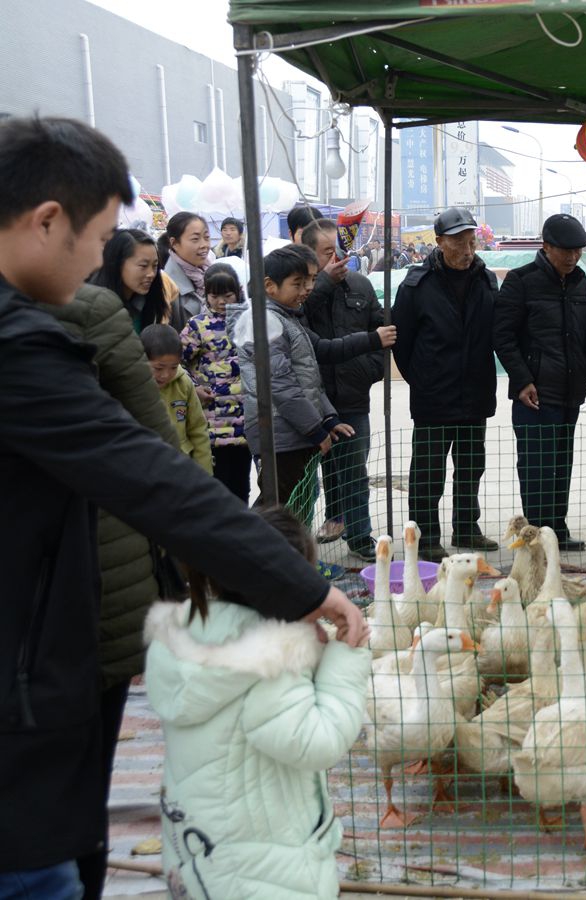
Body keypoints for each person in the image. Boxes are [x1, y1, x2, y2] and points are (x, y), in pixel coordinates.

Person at [0, 114, 369, 897]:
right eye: (102, 239)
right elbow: (148, 474)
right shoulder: (19, 347)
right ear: (46, 222)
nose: (108, 261)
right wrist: (302, 585)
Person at [144, 505, 371, 898]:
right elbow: (313, 741)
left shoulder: (191, 635)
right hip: (267, 873)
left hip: (200, 855)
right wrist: (346, 659)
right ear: (292, 584)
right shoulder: (273, 659)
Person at [37, 278, 179, 900]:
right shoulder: (90, 311)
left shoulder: (90, 313)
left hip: (98, 585)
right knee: (78, 784)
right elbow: (159, 451)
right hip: (95, 587)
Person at [228, 245, 392, 510]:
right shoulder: (265, 323)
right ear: (270, 286)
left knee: (297, 501)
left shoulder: (287, 318)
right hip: (280, 434)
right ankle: (255, 550)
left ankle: (291, 551)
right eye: (298, 283)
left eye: (310, 282)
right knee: (279, 506)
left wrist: (326, 417)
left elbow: (308, 377)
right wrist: (314, 428)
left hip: (293, 430)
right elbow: (281, 386)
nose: (307, 289)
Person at [392, 207, 499, 559]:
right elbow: (402, 343)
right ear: (439, 242)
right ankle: (424, 538)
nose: (467, 251)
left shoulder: (486, 279)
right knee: (428, 472)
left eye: (471, 242)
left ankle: (467, 529)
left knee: (471, 467)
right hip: (433, 397)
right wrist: (423, 379)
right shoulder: (415, 284)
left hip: (476, 392)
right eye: (458, 243)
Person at [494, 213, 586, 552]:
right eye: (565, 251)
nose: (572, 258)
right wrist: (522, 380)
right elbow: (503, 336)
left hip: (570, 392)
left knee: (561, 464)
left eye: (578, 251)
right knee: (537, 467)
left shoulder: (580, 281)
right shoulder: (521, 282)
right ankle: (536, 536)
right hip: (534, 396)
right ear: (547, 246)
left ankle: (558, 531)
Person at [302, 218, 385, 561]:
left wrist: (369, 370)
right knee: (306, 479)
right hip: (310, 403)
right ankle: (298, 544)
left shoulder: (361, 286)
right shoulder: (302, 290)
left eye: (340, 251)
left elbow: (381, 332)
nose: (337, 258)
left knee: (355, 474)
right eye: (326, 253)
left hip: (352, 398)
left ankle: (361, 536)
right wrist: (320, 283)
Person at [181, 264, 250, 501]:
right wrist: (194, 388)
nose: (221, 301)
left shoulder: (251, 321)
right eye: (214, 295)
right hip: (213, 420)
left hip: (247, 421)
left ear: (238, 291)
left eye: (227, 295)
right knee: (219, 487)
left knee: (242, 487)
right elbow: (177, 362)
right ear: (206, 295)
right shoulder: (197, 325)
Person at [143, 324, 213, 473]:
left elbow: (198, 430)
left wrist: (204, 476)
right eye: (158, 368)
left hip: (179, 468)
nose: (166, 375)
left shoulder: (184, 383)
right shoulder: (131, 387)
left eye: (173, 367)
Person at [88, 228, 170, 334]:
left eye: (155, 266)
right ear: (118, 263)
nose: (151, 274)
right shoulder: (95, 309)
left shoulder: (149, 303)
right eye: (143, 266)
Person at [158, 211, 212, 327]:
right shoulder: (165, 285)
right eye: (195, 239)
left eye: (206, 238)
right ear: (174, 243)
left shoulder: (214, 274)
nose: (204, 245)